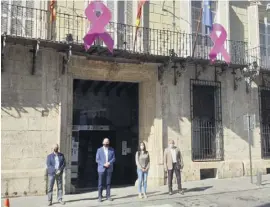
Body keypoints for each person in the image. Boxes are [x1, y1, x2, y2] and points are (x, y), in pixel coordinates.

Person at [96, 138, 116, 202]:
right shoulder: (99, 150)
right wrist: (104, 164)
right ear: (103, 143)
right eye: (105, 143)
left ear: (109, 143)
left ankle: (108, 196)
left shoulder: (112, 150)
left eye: (107, 143)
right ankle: (100, 197)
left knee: (108, 183)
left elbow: (114, 158)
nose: (106, 144)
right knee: (100, 183)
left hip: (109, 168)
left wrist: (109, 163)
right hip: (101, 168)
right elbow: (97, 159)